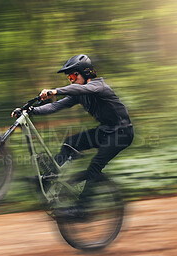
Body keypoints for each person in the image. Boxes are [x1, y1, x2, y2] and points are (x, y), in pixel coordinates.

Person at [12, 54, 134, 219]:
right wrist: (30, 111)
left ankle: (84, 209)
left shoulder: (99, 86)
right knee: (72, 142)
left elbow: (80, 89)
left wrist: (55, 90)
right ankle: (50, 177)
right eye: (68, 77)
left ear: (85, 72)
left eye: (72, 76)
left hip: (122, 133)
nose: (70, 80)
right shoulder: (79, 93)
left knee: (96, 165)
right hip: (106, 130)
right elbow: (55, 106)